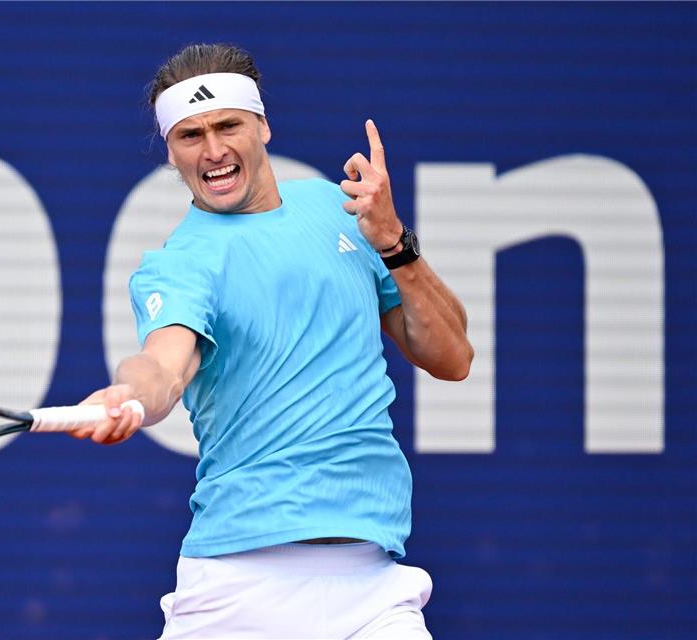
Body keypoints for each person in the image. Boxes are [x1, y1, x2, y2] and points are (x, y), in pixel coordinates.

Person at [70, 43, 473, 639]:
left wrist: (393, 241)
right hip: (237, 588)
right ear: (170, 154)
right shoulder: (180, 264)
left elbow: (452, 358)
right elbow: (163, 368)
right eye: (189, 135)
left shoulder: (344, 214)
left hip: (373, 586)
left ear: (261, 125)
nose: (213, 151)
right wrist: (128, 394)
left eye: (227, 126)